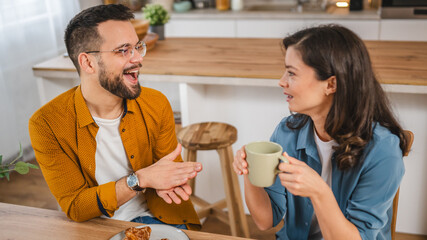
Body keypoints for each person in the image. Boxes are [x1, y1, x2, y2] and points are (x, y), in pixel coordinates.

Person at [29, 4, 202, 230]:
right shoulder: (47, 124)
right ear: (88, 62)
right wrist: (139, 180)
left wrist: (171, 181)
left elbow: (168, 171)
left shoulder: (156, 103)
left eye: (138, 47)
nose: (138, 58)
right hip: (96, 228)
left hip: (161, 219)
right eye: (123, 50)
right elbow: (76, 206)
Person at [233, 25, 408, 239]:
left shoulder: (382, 151)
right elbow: (265, 220)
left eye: (291, 73)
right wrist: (249, 172)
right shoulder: (287, 132)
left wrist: (318, 191)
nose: (281, 81)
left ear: (331, 84)